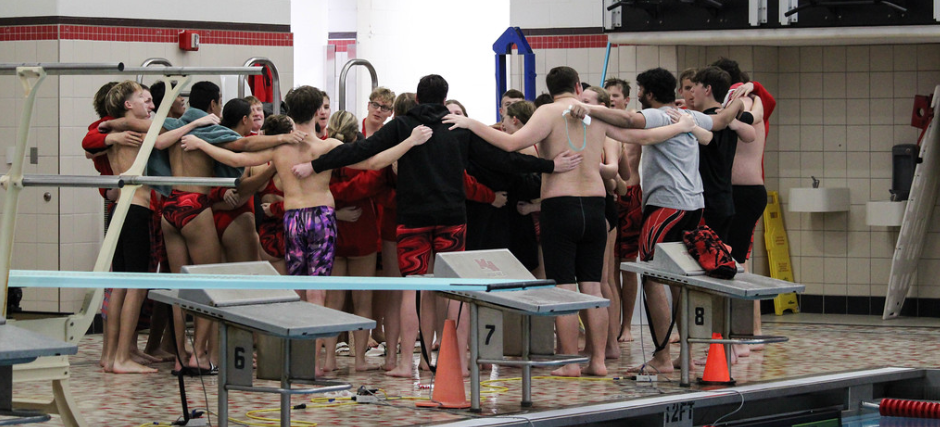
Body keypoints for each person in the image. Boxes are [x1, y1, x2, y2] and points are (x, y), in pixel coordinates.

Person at [293, 74, 578, 378]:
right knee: (455, 291)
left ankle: (408, 363)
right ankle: (458, 361)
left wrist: (314, 165)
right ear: (444, 99)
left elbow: (358, 152)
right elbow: (503, 160)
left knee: (413, 287)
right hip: (452, 218)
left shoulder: (403, 126)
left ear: (416, 98)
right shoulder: (457, 126)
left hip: (413, 218)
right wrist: (549, 166)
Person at [444, 66, 708, 377]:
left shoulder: (547, 112)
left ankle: (570, 362)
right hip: (596, 207)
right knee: (593, 287)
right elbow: (641, 136)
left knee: (565, 288)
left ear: (550, 88)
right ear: (578, 85)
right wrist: (682, 127)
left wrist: (469, 123)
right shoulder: (596, 115)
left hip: (561, 206)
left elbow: (510, 145)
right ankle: (597, 361)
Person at [568, 67, 748, 374]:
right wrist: (739, 102)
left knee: (653, 279)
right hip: (693, 204)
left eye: (639, 90)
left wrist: (587, 108)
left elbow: (627, 121)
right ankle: (685, 353)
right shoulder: (688, 116)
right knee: (679, 280)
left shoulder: (660, 116)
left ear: (648, 93)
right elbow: (721, 119)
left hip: (665, 206)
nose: (637, 95)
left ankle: (662, 357)